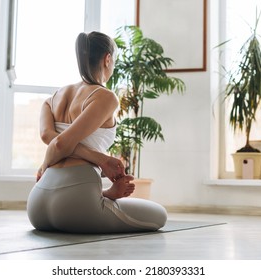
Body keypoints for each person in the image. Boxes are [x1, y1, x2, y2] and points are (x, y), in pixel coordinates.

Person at [26, 31, 167, 233]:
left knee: (95, 199)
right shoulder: (105, 97)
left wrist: (45, 165)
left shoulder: (53, 98)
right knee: (158, 214)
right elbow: (59, 145)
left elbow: (50, 139)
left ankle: (104, 194)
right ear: (107, 59)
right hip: (76, 205)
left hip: (37, 205)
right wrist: (101, 159)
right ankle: (101, 197)